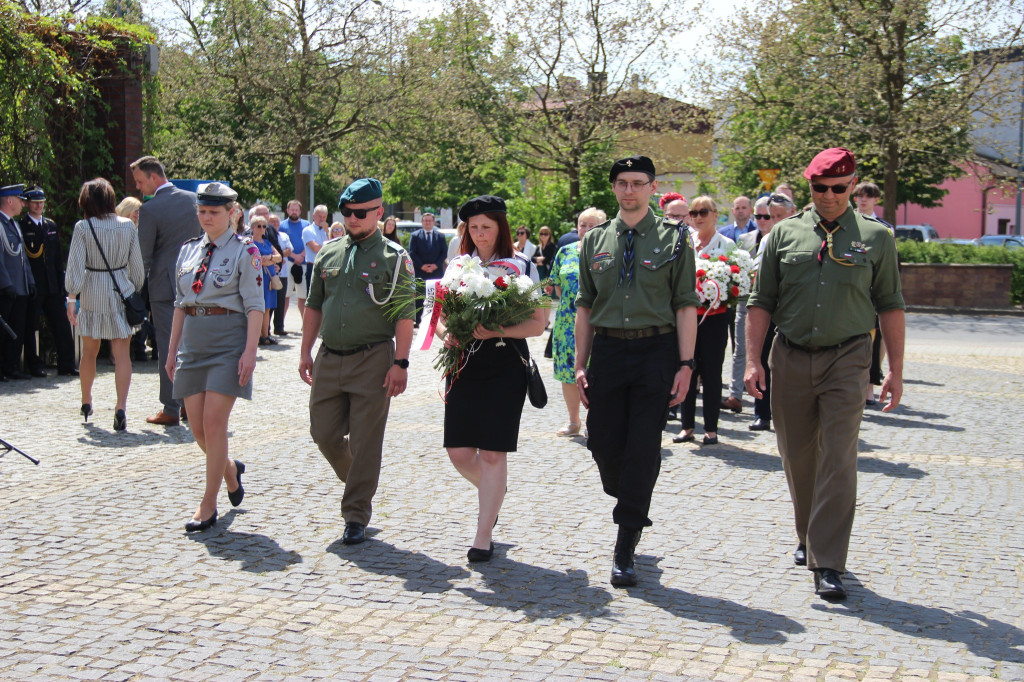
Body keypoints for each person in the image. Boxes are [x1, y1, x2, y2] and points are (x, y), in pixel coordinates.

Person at [745, 147, 905, 601]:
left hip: (848, 358)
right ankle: (807, 534)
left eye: (839, 188)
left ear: (853, 185)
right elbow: (761, 302)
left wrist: (894, 369)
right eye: (820, 188)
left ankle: (829, 560)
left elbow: (891, 304)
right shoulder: (784, 235)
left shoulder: (876, 237)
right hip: (791, 356)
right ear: (808, 186)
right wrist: (754, 361)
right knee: (798, 456)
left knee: (839, 455)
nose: (830, 196)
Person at [575, 156, 699, 586]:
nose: (629, 191)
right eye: (622, 183)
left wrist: (686, 364)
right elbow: (584, 306)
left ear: (652, 187)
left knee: (644, 447)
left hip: (657, 350)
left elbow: (686, 303)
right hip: (608, 351)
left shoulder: (676, 239)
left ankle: (626, 542)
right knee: (603, 443)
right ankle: (626, 491)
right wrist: (579, 364)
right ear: (613, 188)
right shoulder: (595, 241)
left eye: (638, 183)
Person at [300, 178, 415, 546]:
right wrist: (304, 351)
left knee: (366, 441)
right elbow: (314, 306)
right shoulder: (328, 252)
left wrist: (401, 362)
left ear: (379, 213)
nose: (352, 218)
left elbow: (404, 316)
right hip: (330, 356)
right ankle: (359, 480)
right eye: (347, 212)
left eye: (361, 213)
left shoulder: (396, 259)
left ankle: (355, 514)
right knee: (324, 433)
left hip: (373, 360)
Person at [434, 195, 546, 562]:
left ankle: (483, 536)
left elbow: (537, 323)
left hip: (504, 365)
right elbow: (437, 317)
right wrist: (446, 334)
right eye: (474, 227)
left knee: (493, 453)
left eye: (487, 227)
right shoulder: (456, 266)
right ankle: (493, 494)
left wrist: (495, 328)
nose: (480, 234)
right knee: (459, 452)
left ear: (501, 227)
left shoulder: (522, 265)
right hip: (463, 364)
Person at [167, 182, 264, 531]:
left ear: (231, 213)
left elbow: (255, 307)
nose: (207, 218)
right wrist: (171, 351)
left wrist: (250, 352)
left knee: (213, 422)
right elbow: (180, 303)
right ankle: (230, 471)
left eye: (214, 212)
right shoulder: (189, 250)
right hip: (193, 344)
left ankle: (208, 505)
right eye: (203, 211)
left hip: (228, 342)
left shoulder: (245, 251)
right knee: (197, 429)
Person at [64, 178, 145, 431]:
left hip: (92, 292)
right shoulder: (128, 227)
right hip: (121, 289)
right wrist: (132, 287)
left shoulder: (83, 227)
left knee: (89, 352)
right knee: (122, 355)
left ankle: (86, 400)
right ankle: (121, 407)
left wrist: (72, 297)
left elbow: (75, 267)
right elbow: (138, 271)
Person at [132, 155, 202, 426]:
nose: (139, 188)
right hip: (195, 283)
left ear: (153, 177)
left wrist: (135, 290)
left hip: (164, 287)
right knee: (191, 344)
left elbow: (143, 256)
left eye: (140, 181)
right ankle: (188, 404)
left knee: (167, 345)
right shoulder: (193, 200)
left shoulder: (150, 209)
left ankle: (171, 407)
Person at [672, 197, 734, 446]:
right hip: (688, 315)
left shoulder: (726, 244)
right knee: (686, 366)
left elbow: (735, 282)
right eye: (694, 212)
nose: (698, 217)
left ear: (715, 214)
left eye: (703, 212)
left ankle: (711, 428)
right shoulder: (686, 241)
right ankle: (686, 426)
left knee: (711, 371)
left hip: (716, 317)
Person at [549, 207, 606, 436]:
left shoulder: (608, 252)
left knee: (597, 372)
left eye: (593, 225)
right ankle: (574, 421)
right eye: (583, 224)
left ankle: (598, 420)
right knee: (567, 372)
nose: (586, 229)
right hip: (566, 322)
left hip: (599, 321)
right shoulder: (565, 251)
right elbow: (558, 287)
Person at [743, 192, 797, 432]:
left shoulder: (799, 238)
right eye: (770, 216)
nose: (774, 221)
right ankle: (761, 413)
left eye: (778, 216)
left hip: (792, 310)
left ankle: (788, 412)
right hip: (769, 307)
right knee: (761, 358)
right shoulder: (767, 240)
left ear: (792, 214)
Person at [19, 186, 77, 377]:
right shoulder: (22, 226)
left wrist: (62, 284)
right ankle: (33, 365)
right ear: (27, 204)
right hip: (34, 285)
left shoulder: (50, 225)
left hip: (52, 285)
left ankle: (66, 364)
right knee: (30, 326)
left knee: (61, 325)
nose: (39, 205)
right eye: (35, 202)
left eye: (41, 202)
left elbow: (56, 258)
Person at [722, 196, 772, 414]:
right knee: (740, 349)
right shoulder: (746, 238)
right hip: (745, 300)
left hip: (772, 303)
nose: (761, 220)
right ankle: (736, 394)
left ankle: (768, 399)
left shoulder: (780, 237)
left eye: (766, 216)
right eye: (759, 216)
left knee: (767, 353)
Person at [851, 181, 893, 406]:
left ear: (876, 199)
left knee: (874, 341)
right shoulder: (847, 223)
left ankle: (869, 387)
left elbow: (889, 264)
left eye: (867, 196)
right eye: (859, 196)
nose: (862, 200)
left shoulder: (884, 228)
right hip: (852, 289)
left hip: (872, 291)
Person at [0, 182, 34, 381]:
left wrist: (30, 281)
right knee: (4, 332)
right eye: (20, 200)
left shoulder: (13, 225)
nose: (23, 204)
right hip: (7, 288)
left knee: (17, 330)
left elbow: (22, 257)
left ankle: (11, 366)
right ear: (10, 201)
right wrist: (5, 284)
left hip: (20, 286)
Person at [117, 196, 156, 363]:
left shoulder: (142, 229)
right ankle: (132, 350)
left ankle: (144, 349)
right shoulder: (118, 229)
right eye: (135, 211)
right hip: (124, 278)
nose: (138, 215)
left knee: (143, 313)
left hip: (144, 277)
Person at [408, 212, 447, 325]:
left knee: (435, 297)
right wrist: (422, 266)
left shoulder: (440, 236)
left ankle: (436, 320)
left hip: (436, 271)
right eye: (425, 220)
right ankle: (420, 320)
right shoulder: (415, 236)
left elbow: (444, 253)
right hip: (421, 271)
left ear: (434, 222)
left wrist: (436, 265)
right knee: (420, 296)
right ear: (422, 222)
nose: (428, 222)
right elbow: (412, 252)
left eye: (430, 221)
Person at [250, 216, 282, 345]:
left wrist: (269, 258)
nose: (262, 229)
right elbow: (256, 261)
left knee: (268, 308)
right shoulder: (250, 243)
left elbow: (279, 257)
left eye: (264, 226)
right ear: (252, 228)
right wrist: (271, 261)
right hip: (258, 278)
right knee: (259, 307)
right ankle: (257, 336)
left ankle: (265, 334)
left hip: (269, 278)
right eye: (259, 226)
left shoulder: (267, 242)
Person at [279, 199, 309, 328]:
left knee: (303, 296)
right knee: (285, 295)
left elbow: (308, 242)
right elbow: (281, 244)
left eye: (296, 210)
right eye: (292, 209)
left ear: (300, 211)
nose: (294, 212)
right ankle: (281, 323)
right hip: (287, 263)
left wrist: (301, 255)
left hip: (303, 263)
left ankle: (306, 324)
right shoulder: (281, 225)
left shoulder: (307, 224)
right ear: (287, 210)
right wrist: (293, 255)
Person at [303, 204, 331, 284]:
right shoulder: (308, 230)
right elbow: (315, 248)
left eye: (324, 217)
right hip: (313, 266)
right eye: (319, 216)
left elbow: (335, 245)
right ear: (313, 216)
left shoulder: (329, 231)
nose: (322, 219)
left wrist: (327, 231)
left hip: (327, 267)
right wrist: (328, 247)